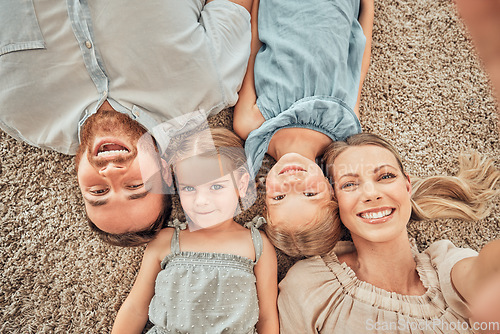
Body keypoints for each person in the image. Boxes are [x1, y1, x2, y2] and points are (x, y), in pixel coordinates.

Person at [0, 0, 253, 240]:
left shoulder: (14, 110)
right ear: (165, 171)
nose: (110, 172)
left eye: (98, 192)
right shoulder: (210, 85)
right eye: (135, 186)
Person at [275, 133, 500, 333]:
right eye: (350, 184)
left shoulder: (446, 265)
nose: (371, 194)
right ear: (335, 200)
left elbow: (485, 272)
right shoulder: (310, 284)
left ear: (407, 186)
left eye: (385, 177)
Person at [111, 128, 279, 334]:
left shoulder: (256, 245)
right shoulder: (166, 241)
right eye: (189, 188)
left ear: (242, 184)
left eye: (216, 187)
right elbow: (136, 308)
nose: (201, 201)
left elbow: (267, 317)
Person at [232, 0, 374, 232]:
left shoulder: (250, 123)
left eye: (279, 198)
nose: (292, 184)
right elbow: (358, 66)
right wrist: (368, 7)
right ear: (331, 191)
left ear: (264, 194)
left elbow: (252, 51)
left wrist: (256, 5)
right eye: (309, 193)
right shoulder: (343, 133)